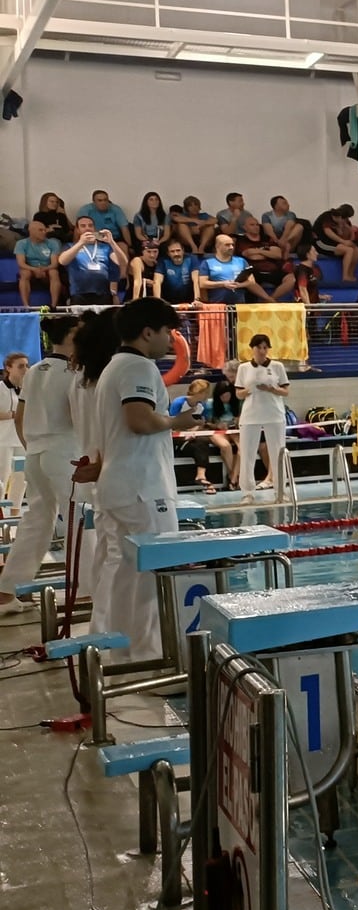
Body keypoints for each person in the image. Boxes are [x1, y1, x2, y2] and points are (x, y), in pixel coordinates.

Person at [75, 300, 198, 660]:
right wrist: (179, 422)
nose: (170, 341)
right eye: (167, 332)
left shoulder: (113, 367)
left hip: (120, 485)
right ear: (148, 332)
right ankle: (150, 660)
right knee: (150, 581)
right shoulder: (139, 368)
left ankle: (123, 656)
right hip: (143, 491)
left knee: (126, 579)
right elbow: (138, 420)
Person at [0, 316, 79, 596]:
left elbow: (20, 418)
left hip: (35, 454)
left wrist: (32, 445)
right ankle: (85, 590)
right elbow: (78, 417)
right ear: (71, 336)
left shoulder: (34, 371)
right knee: (78, 521)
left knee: (35, 522)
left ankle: (7, 590)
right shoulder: (73, 372)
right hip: (64, 454)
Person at [235, 334, 291, 499]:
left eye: (265, 347)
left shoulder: (277, 366)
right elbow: (238, 394)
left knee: (278, 452)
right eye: (259, 347)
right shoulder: (243, 368)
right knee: (247, 454)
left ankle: (280, 490)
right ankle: (247, 492)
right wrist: (249, 389)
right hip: (250, 415)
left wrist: (271, 389)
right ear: (252, 348)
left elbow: (286, 391)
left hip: (274, 414)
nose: (262, 351)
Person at [59, 216, 125, 305]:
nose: (87, 228)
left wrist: (112, 242)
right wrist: (81, 243)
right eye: (83, 226)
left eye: (90, 225)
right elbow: (62, 261)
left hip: (103, 293)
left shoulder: (105, 247)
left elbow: (122, 262)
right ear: (77, 230)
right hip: (79, 293)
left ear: (94, 228)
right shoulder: (70, 246)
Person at [196, 232, 255, 300]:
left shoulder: (241, 261)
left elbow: (251, 281)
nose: (231, 247)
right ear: (217, 246)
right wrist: (223, 284)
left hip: (239, 303)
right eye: (227, 245)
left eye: (232, 245)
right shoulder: (207, 263)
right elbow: (202, 283)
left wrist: (238, 285)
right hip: (217, 303)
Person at [16, 218, 60, 307]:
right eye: (40, 230)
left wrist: (44, 269)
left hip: (47, 268)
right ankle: (26, 305)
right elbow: (21, 263)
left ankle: (54, 305)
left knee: (54, 272)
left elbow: (55, 264)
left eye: (45, 230)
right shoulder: (21, 243)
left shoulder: (53, 243)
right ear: (31, 231)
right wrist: (35, 269)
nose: (44, 232)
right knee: (25, 273)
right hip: (30, 268)